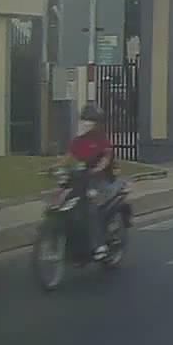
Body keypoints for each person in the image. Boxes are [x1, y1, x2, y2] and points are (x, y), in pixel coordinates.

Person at [68, 103, 116, 261]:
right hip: (82, 179)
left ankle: (99, 245)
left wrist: (97, 169)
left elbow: (106, 158)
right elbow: (69, 157)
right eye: (85, 119)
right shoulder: (78, 140)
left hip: (100, 181)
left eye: (91, 120)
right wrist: (54, 167)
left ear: (97, 123)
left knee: (91, 208)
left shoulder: (101, 139)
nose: (86, 123)